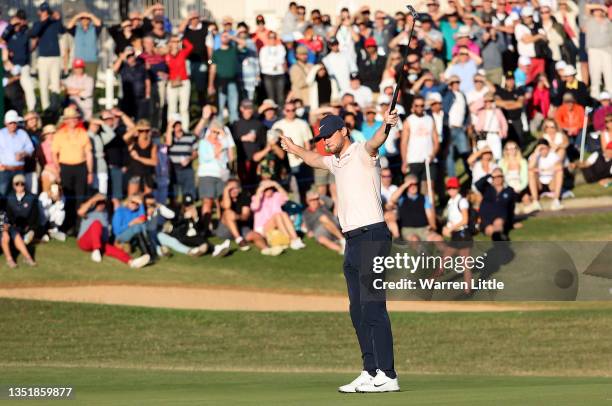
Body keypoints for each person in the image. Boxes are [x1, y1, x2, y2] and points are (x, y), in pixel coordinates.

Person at [280, 111, 401, 392]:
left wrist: (386, 124)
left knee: (373, 307)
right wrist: (293, 147)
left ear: (343, 131)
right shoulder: (336, 162)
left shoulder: (361, 152)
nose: (326, 141)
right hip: (352, 240)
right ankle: (370, 372)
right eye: (322, 137)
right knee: (357, 310)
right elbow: (312, 159)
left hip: (373, 235)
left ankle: (388, 374)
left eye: (329, 135)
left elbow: (376, 141)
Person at [77, 193, 150, 268]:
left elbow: (142, 218)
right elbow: (80, 212)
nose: (102, 204)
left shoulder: (106, 213)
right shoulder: (89, 212)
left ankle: (132, 262)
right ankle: (96, 250)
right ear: (94, 203)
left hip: (100, 242)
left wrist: (140, 203)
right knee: (96, 223)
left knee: (115, 251)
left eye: (103, 202)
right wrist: (94, 199)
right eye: (99, 202)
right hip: (85, 241)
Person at [216, 179, 283, 255]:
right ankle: (239, 240)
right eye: (230, 189)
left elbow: (245, 216)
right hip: (225, 229)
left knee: (255, 235)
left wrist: (236, 217)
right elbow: (226, 206)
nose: (233, 190)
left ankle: (266, 249)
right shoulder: (223, 197)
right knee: (228, 212)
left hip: (241, 227)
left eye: (235, 188)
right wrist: (226, 191)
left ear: (239, 188)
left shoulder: (244, 197)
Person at [52, 107, 93, 231]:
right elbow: (55, 154)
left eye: (75, 118)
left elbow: (88, 153)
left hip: (81, 167)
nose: (73, 120)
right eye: (70, 118)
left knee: (80, 196)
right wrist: (58, 169)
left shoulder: (83, 133)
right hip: (65, 167)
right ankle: (67, 225)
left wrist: (90, 171)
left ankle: (79, 226)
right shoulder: (59, 134)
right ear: (66, 120)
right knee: (67, 196)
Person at [271, 101, 313, 203]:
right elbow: (272, 144)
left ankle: (302, 213)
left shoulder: (303, 124)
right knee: (287, 192)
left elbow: (307, 144)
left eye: (293, 110)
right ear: (284, 111)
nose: (290, 112)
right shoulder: (277, 125)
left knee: (303, 191)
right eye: (288, 110)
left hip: (300, 163)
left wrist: (305, 158)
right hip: (284, 165)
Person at [250, 179, 305, 250]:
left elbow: (287, 198)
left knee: (283, 213)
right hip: (262, 229)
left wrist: (277, 185)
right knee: (277, 215)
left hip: (276, 224)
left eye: (271, 188)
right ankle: (290, 240)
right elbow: (255, 207)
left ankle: (295, 239)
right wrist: (260, 190)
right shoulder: (256, 198)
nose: (269, 190)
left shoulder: (276, 196)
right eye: (266, 189)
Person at [400, 95, 439, 195]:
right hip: (413, 160)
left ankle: (430, 210)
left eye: (422, 105)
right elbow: (404, 143)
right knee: (413, 190)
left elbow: (436, 141)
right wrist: (404, 161)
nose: (419, 108)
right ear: (413, 106)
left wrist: (433, 155)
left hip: (428, 160)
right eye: (417, 105)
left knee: (429, 191)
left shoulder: (430, 120)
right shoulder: (408, 121)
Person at [29, 2, 65, 111]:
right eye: (43, 11)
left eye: (47, 11)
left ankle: (55, 107)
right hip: (43, 57)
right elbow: (33, 33)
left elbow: (62, 31)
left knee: (55, 83)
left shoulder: (54, 22)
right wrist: (43, 20)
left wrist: (58, 19)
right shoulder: (37, 23)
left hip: (55, 56)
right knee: (43, 83)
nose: (45, 13)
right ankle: (45, 107)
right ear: (39, 12)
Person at [2, 175, 37, 268]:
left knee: (16, 235)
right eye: (17, 184)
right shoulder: (9, 197)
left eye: (22, 184)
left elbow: (5, 215)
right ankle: (9, 260)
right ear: (14, 185)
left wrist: (6, 224)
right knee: (5, 237)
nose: (20, 186)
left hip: (8, 225)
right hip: (3, 228)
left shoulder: (31, 197)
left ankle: (28, 257)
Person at [389, 174, 437, 242]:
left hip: (423, 229)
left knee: (437, 239)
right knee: (415, 240)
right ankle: (424, 252)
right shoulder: (402, 198)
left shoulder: (424, 198)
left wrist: (432, 227)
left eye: (415, 184)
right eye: (410, 185)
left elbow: (429, 215)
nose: (413, 186)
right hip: (408, 230)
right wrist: (405, 184)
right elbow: (392, 199)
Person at [0, 110, 34, 198]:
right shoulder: (1, 134)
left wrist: (23, 154)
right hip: (4, 170)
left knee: (20, 193)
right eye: (10, 123)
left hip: (19, 169)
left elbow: (30, 148)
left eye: (14, 123)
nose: (13, 125)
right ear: (6, 123)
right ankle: (3, 211)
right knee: (2, 192)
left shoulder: (22, 134)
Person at [475, 168, 515, 241]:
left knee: (498, 224)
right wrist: (489, 175)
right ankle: (500, 239)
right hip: (486, 218)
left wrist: (511, 223)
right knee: (490, 229)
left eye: (499, 176)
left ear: (503, 177)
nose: (497, 178)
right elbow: (477, 184)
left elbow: (511, 208)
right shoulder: (487, 188)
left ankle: (499, 239)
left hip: (500, 217)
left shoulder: (509, 190)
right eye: (495, 177)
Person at [526, 139, 564, 212]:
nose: (543, 151)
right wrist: (536, 153)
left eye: (545, 148)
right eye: (541, 149)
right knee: (530, 172)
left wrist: (542, 170)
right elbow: (530, 167)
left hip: (551, 183)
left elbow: (559, 167)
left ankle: (556, 201)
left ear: (548, 148)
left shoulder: (553, 155)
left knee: (559, 171)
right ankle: (535, 202)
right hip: (539, 184)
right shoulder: (534, 156)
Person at [165, 115, 197, 202]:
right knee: (173, 197)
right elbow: (168, 143)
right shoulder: (169, 136)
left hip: (186, 169)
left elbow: (195, 153)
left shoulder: (190, 136)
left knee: (188, 197)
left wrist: (189, 159)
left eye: (177, 124)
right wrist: (169, 128)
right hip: (173, 170)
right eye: (173, 125)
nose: (175, 127)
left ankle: (187, 213)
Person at [302, 190, 345, 254]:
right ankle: (342, 250)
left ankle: (342, 240)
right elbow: (309, 229)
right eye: (312, 200)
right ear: (307, 201)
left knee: (323, 218)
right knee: (320, 239)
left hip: (332, 223)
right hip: (320, 230)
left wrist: (320, 197)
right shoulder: (306, 213)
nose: (315, 201)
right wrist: (310, 232)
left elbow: (332, 202)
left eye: (316, 199)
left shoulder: (323, 205)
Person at [124, 119, 158, 196]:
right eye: (141, 131)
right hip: (134, 174)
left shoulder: (152, 145)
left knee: (147, 199)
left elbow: (154, 162)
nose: (144, 133)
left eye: (146, 131)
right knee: (132, 198)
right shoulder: (132, 142)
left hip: (147, 175)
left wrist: (138, 158)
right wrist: (135, 128)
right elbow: (124, 138)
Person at [66, 11, 103, 80]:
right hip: (79, 60)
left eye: (87, 19)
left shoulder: (94, 29)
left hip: (91, 61)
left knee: (91, 81)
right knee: (77, 82)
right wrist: (77, 16)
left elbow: (99, 24)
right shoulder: (76, 29)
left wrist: (90, 15)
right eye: (83, 18)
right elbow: (69, 26)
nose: (85, 20)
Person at [165, 36, 193, 128]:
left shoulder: (182, 53)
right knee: (172, 108)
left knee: (184, 108)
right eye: (173, 42)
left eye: (176, 42)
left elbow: (190, 47)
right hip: (172, 83)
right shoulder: (166, 55)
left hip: (184, 82)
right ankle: (171, 128)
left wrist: (181, 39)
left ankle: (185, 129)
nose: (175, 44)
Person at [259, 31, 287, 106]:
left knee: (280, 96)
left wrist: (270, 62)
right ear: (268, 39)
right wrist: (275, 63)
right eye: (270, 37)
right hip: (268, 75)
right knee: (270, 97)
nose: (272, 39)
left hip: (279, 74)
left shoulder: (281, 48)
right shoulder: (263, 49)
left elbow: (281, 59)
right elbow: (263, 63)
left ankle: (280, 113)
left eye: (274, 37)